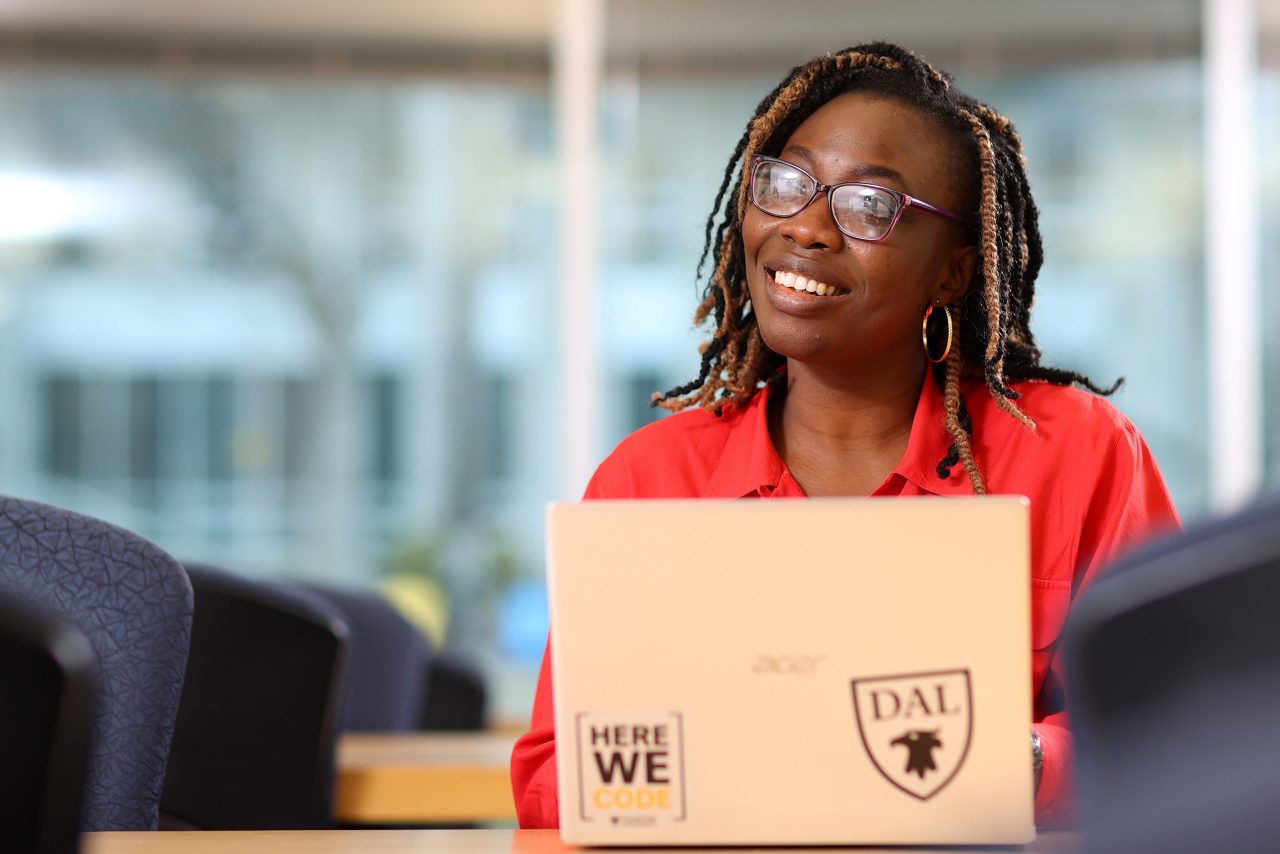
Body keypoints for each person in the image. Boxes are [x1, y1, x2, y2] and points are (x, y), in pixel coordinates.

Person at [511, 42, 1180, 829]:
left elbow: (1170, 731)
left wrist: (1006, 759)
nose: (808, 229)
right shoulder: (649, 479)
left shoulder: (1073, 449)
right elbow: (553, 777)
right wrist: (737, 769)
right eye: (788, 183)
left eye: (869, 206)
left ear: (953, 272)